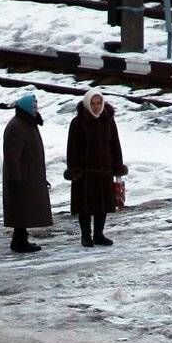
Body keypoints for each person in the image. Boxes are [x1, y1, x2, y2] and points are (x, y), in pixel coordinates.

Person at [65, 88, 127, 247]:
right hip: (85, 172)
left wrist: (117, 165)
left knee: (103, 204)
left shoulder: (108, 120)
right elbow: (72, 148)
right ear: (87, 104)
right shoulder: (78, 122)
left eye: (99, 103)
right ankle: (86, 236)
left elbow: (115, 145)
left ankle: (99, 234)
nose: (96, 106)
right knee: (85, 206)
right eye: (92, 103)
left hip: (104, 170)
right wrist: (74, 168)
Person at [1, 93, 52, 253]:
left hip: (29, 175)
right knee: (21, 209)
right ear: (25, 108)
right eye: (34, 106)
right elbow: (12, 155)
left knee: (23, 210)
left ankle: (20, 239)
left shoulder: (27, 123)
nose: (36, 109)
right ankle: (19, 241)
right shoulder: (18, 126)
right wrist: (15, 177)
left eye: (37, 106)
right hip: (22, 176)